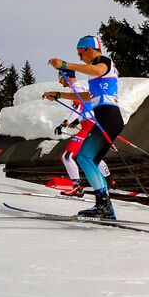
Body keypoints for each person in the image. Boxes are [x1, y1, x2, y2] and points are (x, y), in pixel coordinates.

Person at [44, 35, 122, 220]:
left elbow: (96, 68)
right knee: (91, 160)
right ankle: (104, 205)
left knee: (84, 156)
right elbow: (88, 96)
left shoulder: (102, 62)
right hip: (107, 117)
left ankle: (104, 205)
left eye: (80, 53)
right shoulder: (98, 72)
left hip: (108, 116)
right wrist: (59, 94)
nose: (80, 58)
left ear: (89, 49)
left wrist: (65, 65)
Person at [54, 66, 110, 198]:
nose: (59, 81)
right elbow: (85, 109)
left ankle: (77, 187)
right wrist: (77, 122)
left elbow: (78, 108)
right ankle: (108, 179)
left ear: (66, 76)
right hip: (90, 125)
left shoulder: (77, 89)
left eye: (60, 77)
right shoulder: (80, 88)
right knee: (89, 155)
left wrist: (64, 124)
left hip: (89, 127)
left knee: (67, 156)